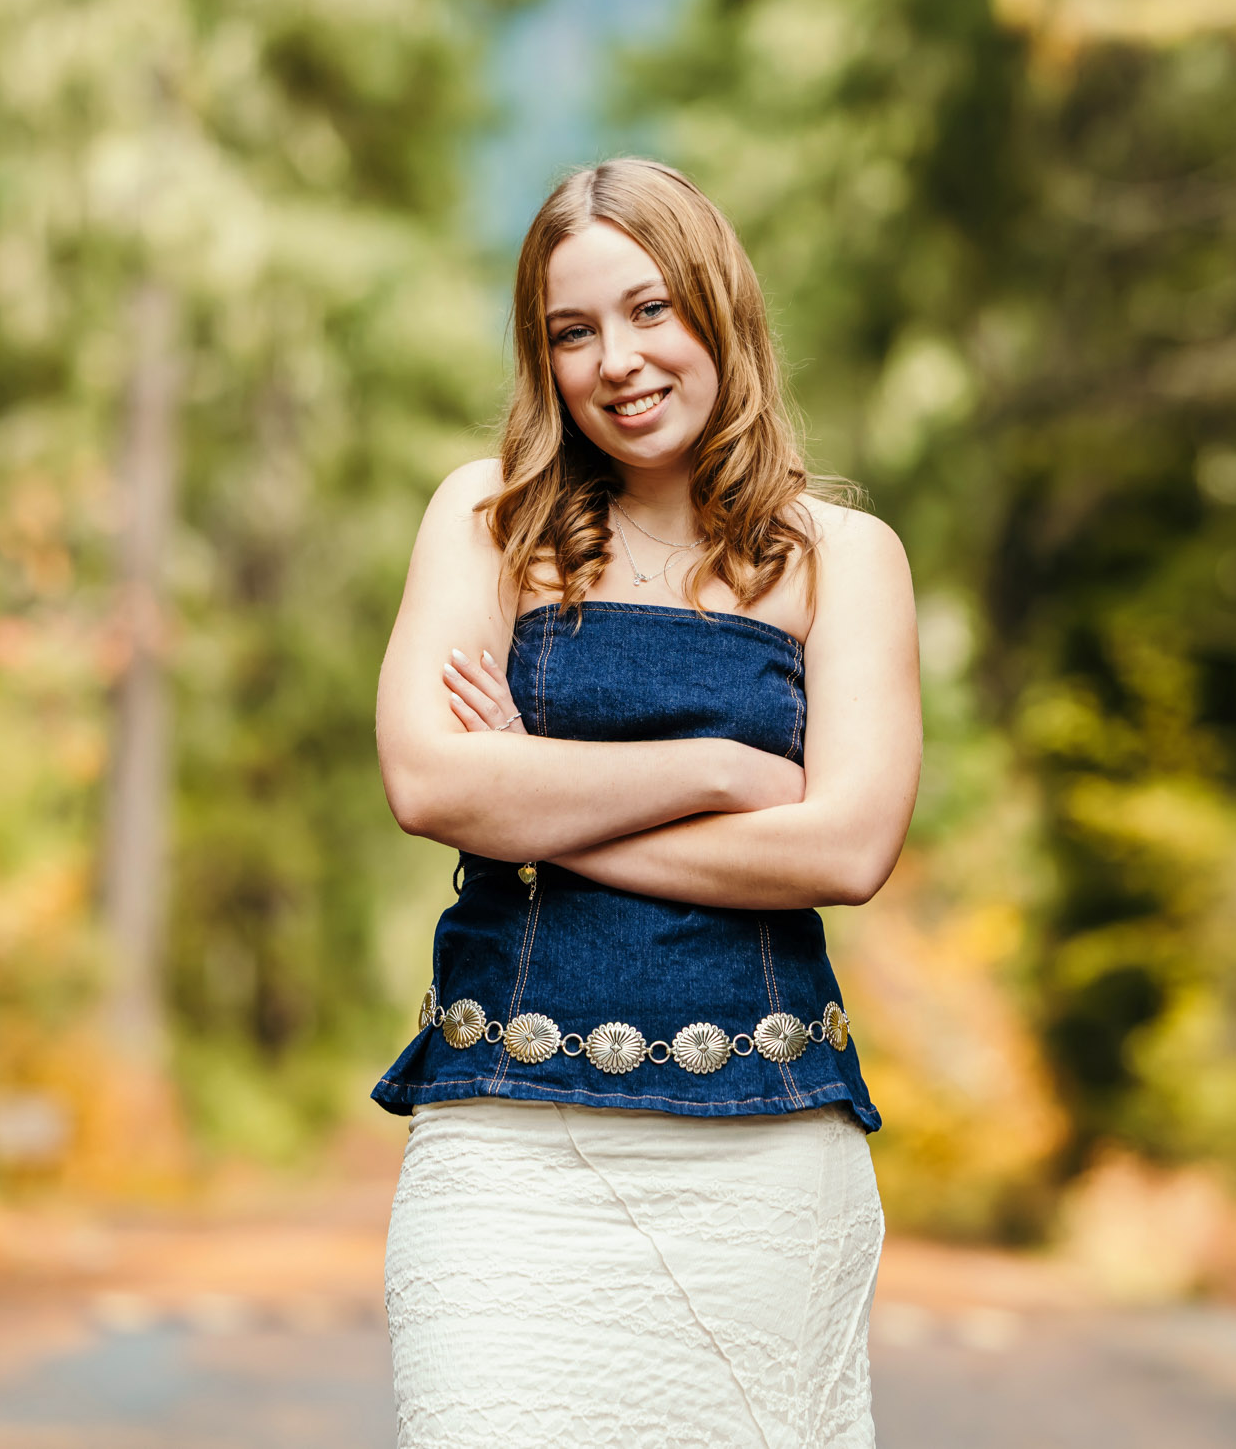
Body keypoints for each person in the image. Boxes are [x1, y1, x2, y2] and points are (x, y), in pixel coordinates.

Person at [370, 157, 923, 1449]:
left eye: (650, 310)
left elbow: (844, 847)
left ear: (719, 313)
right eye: (573, 331)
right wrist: (723, 778)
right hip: (503, 1151)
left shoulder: (844, 561)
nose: (617, 359)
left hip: (765, 1162)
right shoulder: (487, 522)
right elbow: (430, 782)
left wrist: (539, 801)